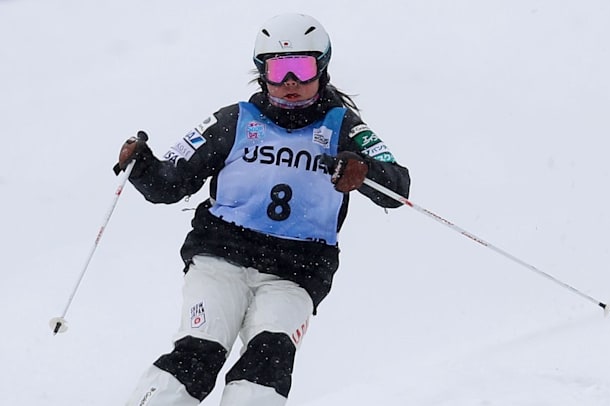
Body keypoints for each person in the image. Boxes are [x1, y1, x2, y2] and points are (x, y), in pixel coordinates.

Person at [116, 13, 411, 406]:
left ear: (322, 68)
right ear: (262, 72)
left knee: (265, 366)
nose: (291, 83)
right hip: (221, 257)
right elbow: (168, 185)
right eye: (279, 70)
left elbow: (398, 188)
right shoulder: (233, 121)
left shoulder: (345, 129)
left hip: (295, 271)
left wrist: (364, 171)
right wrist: (143, 164)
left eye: (302, 68)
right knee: (199, 353)